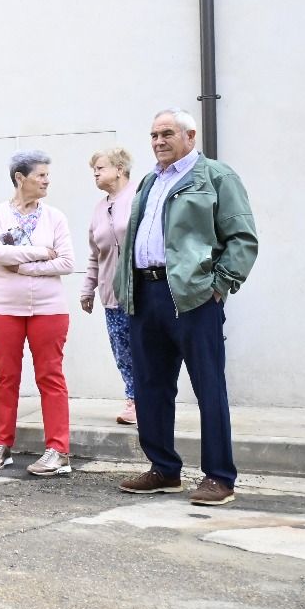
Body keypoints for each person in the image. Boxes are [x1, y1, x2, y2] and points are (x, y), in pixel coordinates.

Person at [116, 108, 258, 507]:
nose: (159, 142)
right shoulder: (149, 181)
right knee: (150, 388)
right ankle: (163, 469)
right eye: (153, 135)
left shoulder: (215, 177)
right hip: (147, 294)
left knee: (208, 386)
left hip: (193, 297)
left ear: (190, 136)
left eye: (167, 134)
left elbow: (242, 237)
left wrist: (219, 286)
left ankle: (219, 477)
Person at [0, 150, 75, 477]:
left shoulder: (56, 217)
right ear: (20, 178)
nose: (47, 180)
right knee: (6, 376)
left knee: (50, 375)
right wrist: (38, 255)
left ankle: (58, 450)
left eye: (48, 175)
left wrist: (22, 267)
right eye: (41, 175)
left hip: (49, 309)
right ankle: (1, 444)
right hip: (1, 307)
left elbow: (66, 262)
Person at [81, 146, 137, 426]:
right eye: (94, 169)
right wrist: (87, 288)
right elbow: (95, 254)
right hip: (111, 294)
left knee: (145, 348)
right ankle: (134, 398)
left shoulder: (139, 197)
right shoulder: (99, 208)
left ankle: (146, 399)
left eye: (100, 167)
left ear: (120, 169)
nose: (96, 173)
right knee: (122, 350)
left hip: (140, 292)